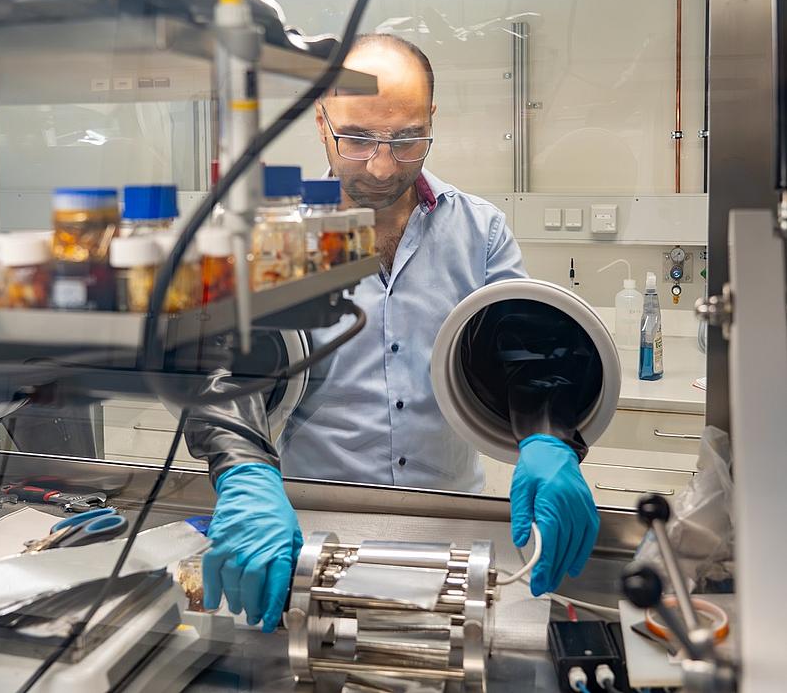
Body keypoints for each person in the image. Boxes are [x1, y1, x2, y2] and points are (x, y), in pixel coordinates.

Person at [188, 34, 599, 634]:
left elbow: (524, 349)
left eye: (408, 140)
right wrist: (244, 470)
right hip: (308, 530)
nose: (382, 166)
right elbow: (217, 363)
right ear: (320, 121)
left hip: (451, 525)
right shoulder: (268, 234)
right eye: (357, 139)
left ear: (433, 120)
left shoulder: (479, 231)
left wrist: (548, 436)